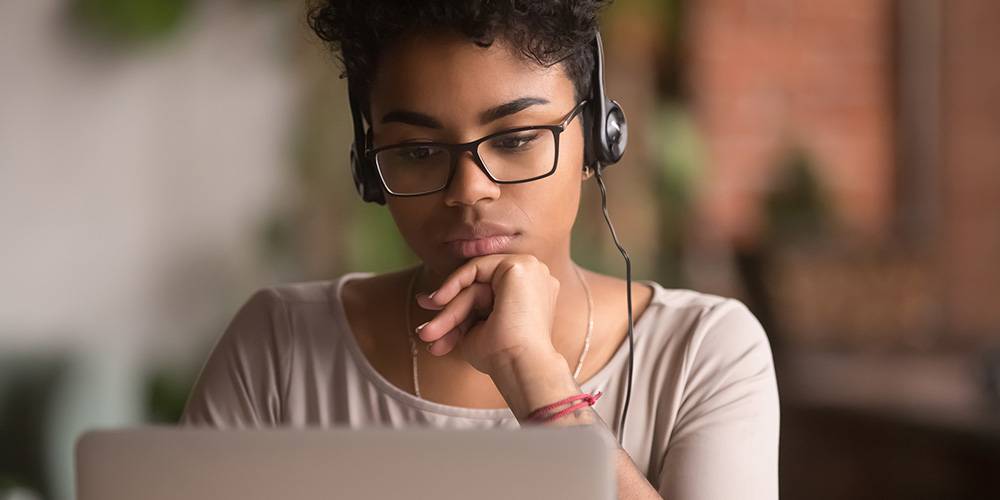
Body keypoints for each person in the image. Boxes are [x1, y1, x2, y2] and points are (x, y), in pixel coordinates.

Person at [179, 1, 780, 498]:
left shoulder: (704, 353)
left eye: (517, 139)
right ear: (369, 167)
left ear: (598, 138)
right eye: (416, 151)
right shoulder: (278, 349)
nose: (469, 191)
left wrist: (533, 375)